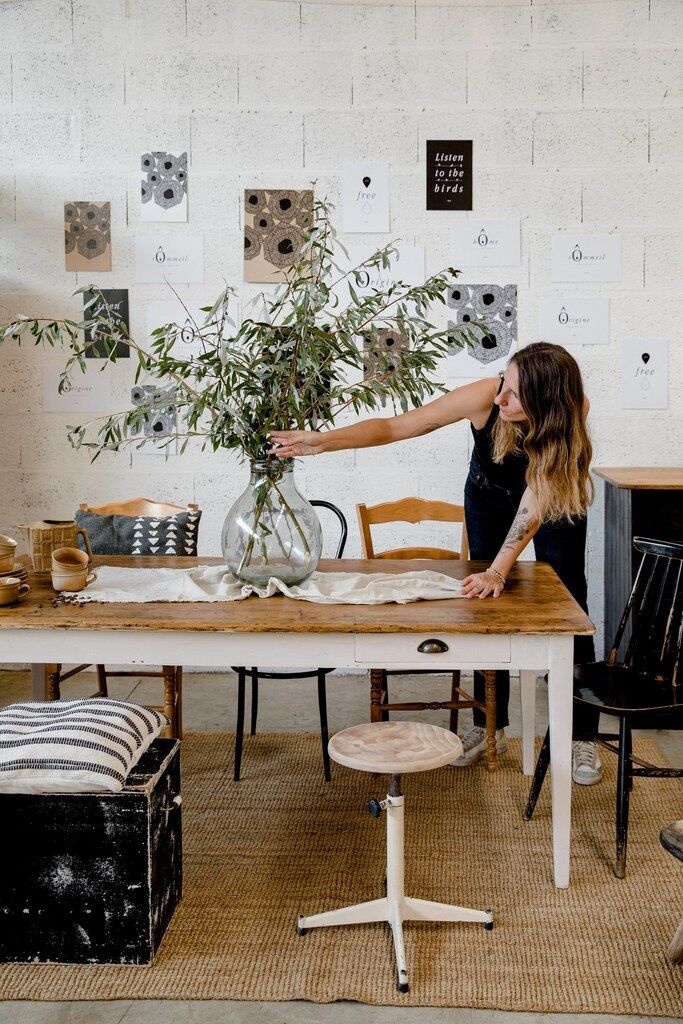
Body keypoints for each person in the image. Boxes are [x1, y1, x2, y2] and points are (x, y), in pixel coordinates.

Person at [270, 342, 602, 785]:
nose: (501, 397)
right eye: (505, 381)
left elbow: (537, 497)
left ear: (547, 402)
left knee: (570, 606)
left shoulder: (571, 411)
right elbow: (393, 428)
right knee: (484, 600)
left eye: (516, 394)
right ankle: (489, 727)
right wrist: (321, 441)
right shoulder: (487, 395)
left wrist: (501, 567)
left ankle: (581, 736)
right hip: (487, 495)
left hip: (552, 497)